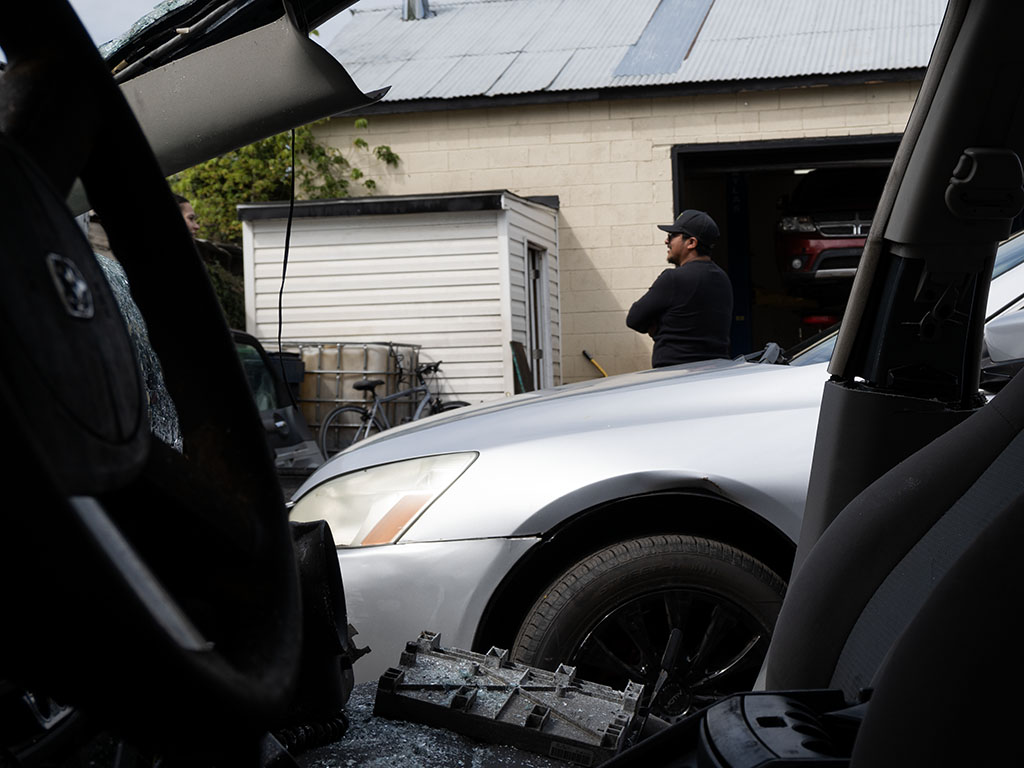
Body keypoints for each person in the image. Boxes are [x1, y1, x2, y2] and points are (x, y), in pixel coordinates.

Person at [626, 209, 733, 368]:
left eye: (672, 236)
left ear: (691, 243)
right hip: (715, 375)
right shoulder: (723, 279)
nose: (666, 241)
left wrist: (658, 328)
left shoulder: (673, 279)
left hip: (674, 377)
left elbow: (634, 319)